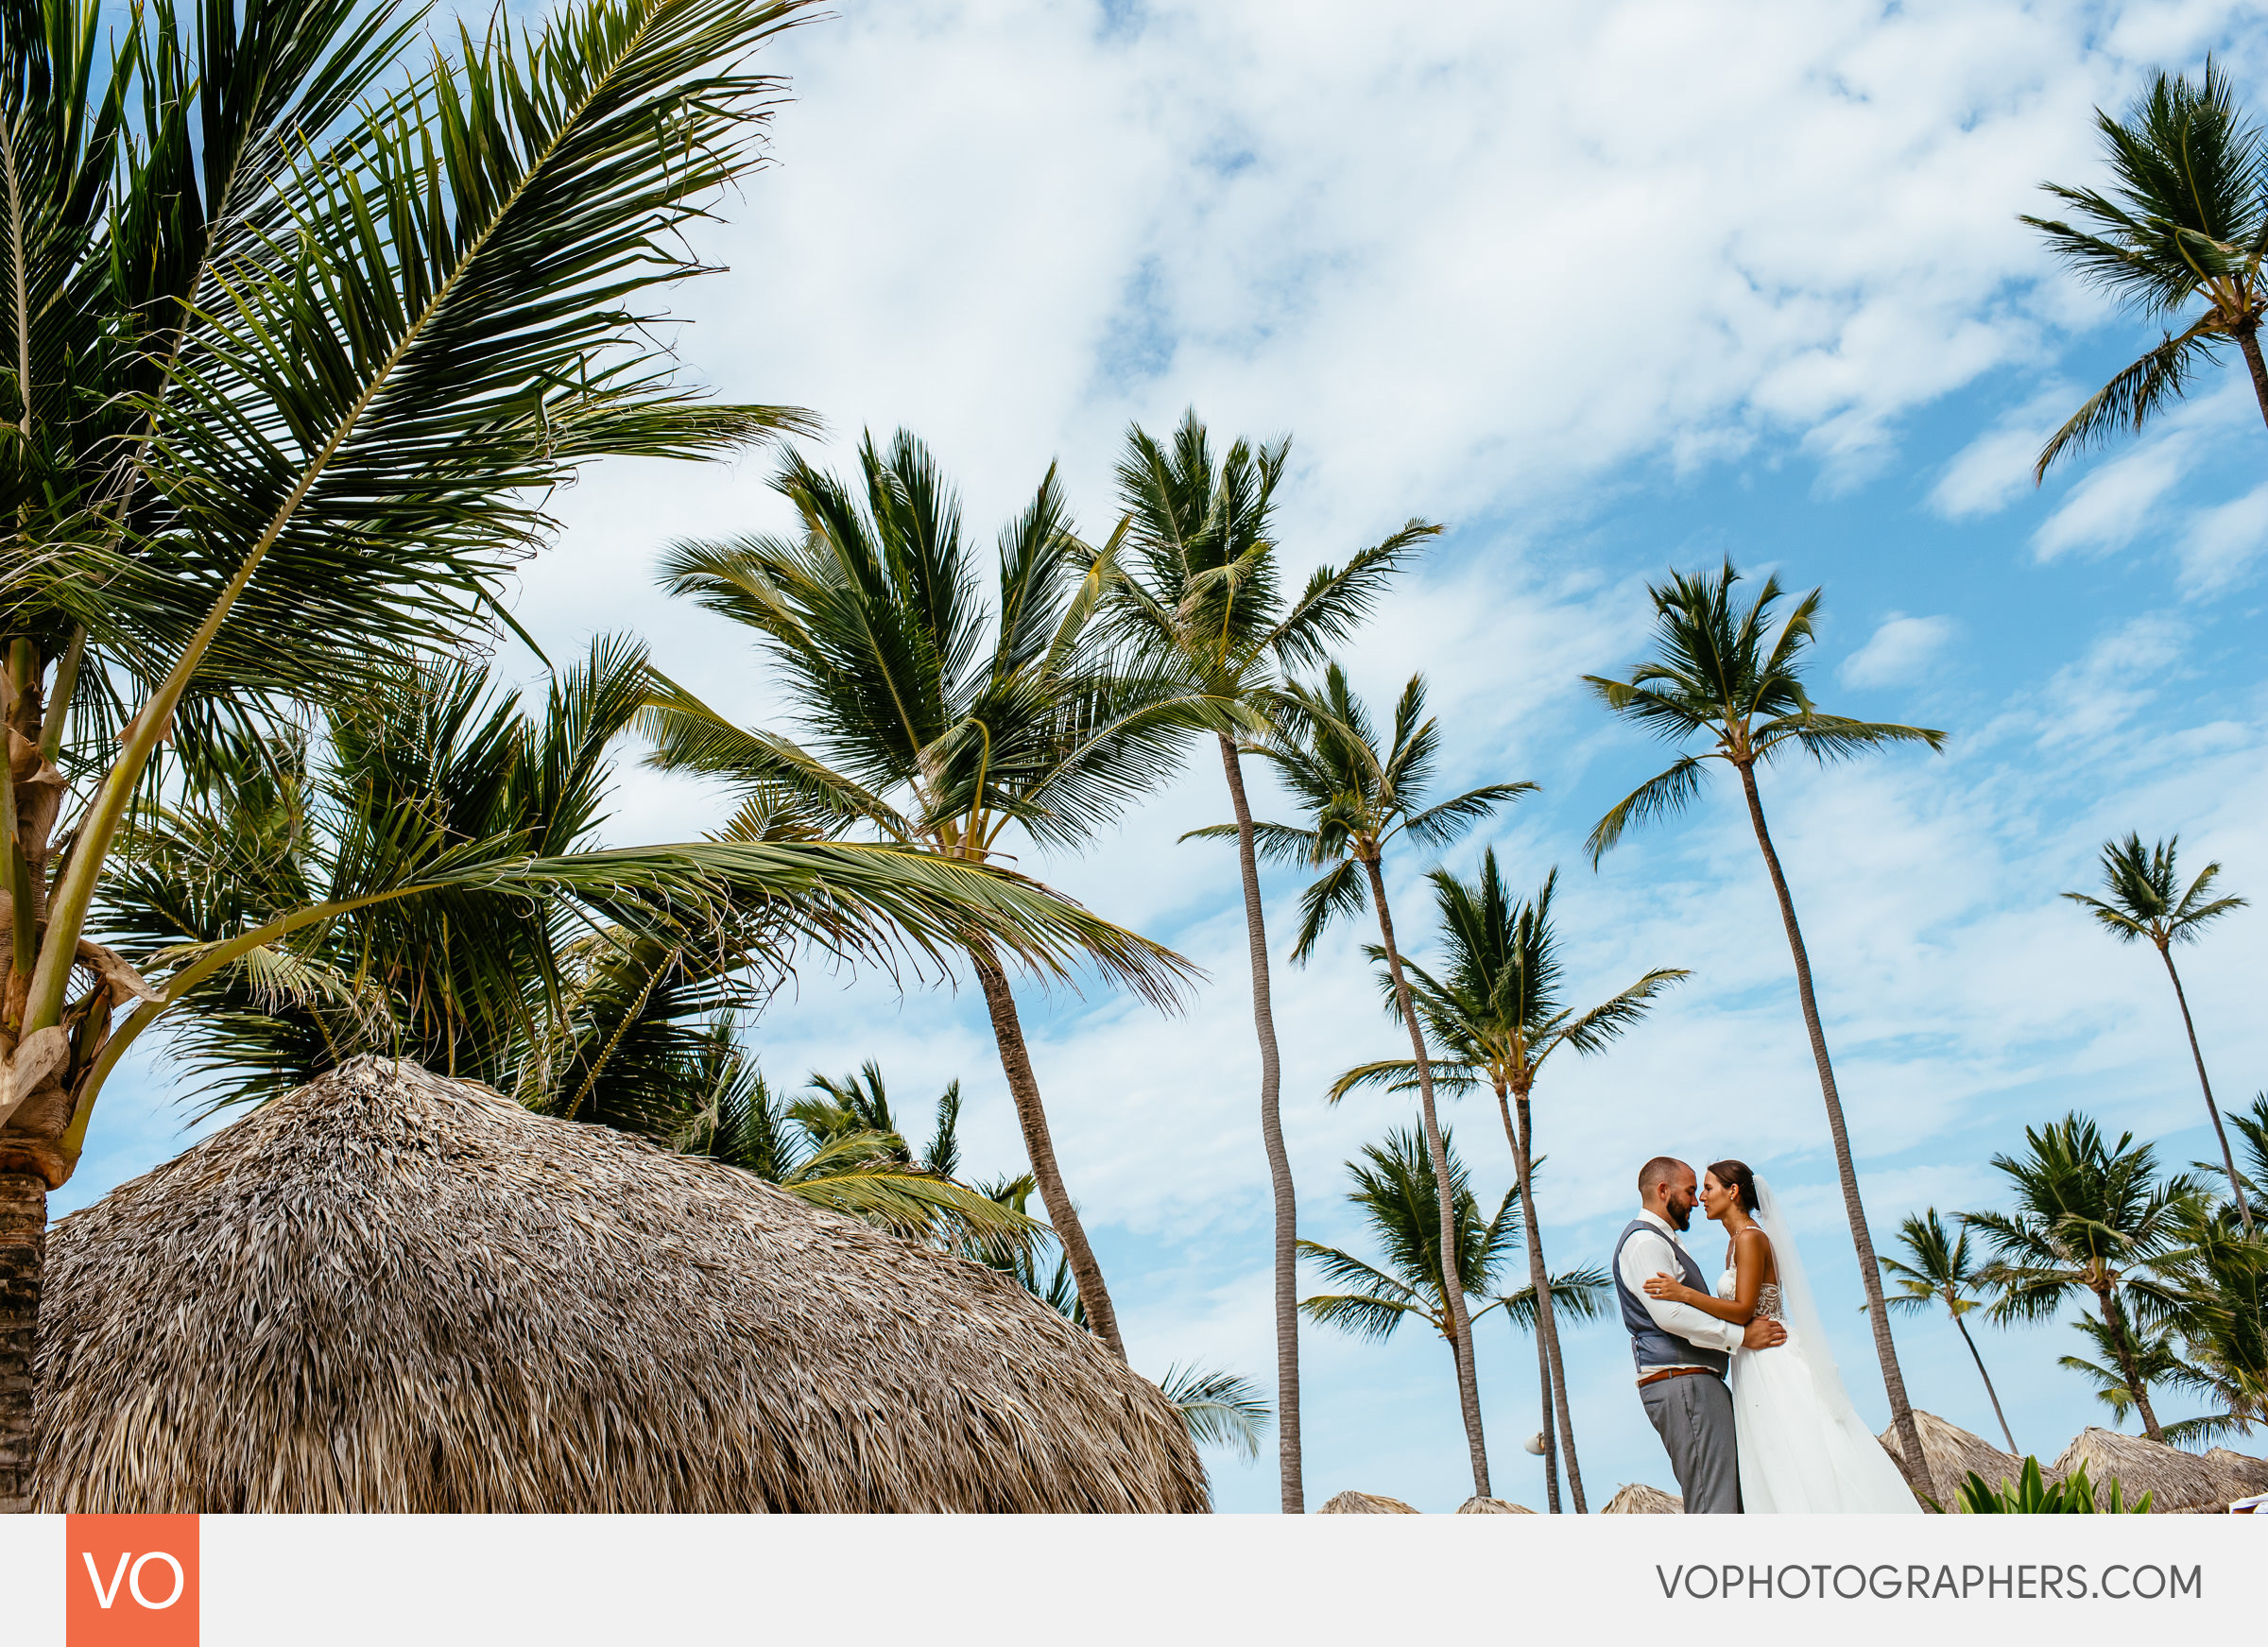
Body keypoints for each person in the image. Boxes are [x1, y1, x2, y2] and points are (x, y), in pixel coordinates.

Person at [1641, 1158, 1921, 1514]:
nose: (1702, 1199)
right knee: (1769, 1453)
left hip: (1771, 1355)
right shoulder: (1734, 1243)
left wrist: (1685, 1295)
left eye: (1708, 1189)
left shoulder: (1751, 1239)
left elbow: (1743, 1309)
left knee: (1797, 1447)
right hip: (1750, 1360)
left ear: (1733, 1191)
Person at [1612, 1157, 1786, 1513]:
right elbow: (1670, 1314)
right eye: (1692, 1191)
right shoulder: (1645, 1243)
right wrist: (1740, 1337)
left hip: (1696, 1381)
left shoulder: (1664, 1240)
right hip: (1683, 1383)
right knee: (1715, 1502)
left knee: (1729, 1498)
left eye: (1702, 1190)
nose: (1696, 1200)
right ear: (1663, 1191)